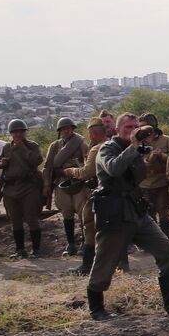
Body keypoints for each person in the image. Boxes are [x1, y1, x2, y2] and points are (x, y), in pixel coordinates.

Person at [87, 113, 169, 321]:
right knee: (105, 260)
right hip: (115, 212)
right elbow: (113, 169)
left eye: (136, 127)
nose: (134, 131)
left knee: (165, 248)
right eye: (128, 127)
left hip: (135, 209)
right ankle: (96, 307)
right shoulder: (107, 148)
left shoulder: (137, 149)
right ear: (117, 130)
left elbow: (140, 175)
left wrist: (145, 153)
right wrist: (133, 148)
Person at [62, 117, 108, 273]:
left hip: (100, 193)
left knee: (89, 225)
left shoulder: (96, 149)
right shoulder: (113, 145)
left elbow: (87, 172)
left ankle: (87, 265)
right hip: (115, 193)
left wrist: (72, 171)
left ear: (93, 133)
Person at [0, 119, 45, 259]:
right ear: (11, 133)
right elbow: (1, 163)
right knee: (15, 219)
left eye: (21, 132)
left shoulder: (32, 146)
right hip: (11, 187)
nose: (18, 134)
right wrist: (2, 163)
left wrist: (22, 149)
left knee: (31, 217)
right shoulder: (6, 147)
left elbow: (37, 160)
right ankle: (20, 249)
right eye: (15, 132)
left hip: (28, 186)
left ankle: (36, 249)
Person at [43, 117, 87, 256]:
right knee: (66, 213)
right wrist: (47, 184)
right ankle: (71, 244)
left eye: (68, 128)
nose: (66, 131)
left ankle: (85, 244)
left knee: (83, 213)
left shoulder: (80, 143)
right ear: (60, 130)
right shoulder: (55, 146)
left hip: (77, 180)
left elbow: (87, 159)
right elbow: (48, 166)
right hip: (61, 182)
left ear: (73, 129)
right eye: (63, 129)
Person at [137, 113, 169, 241]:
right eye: (140, 126)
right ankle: (152, 242)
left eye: (144, 126)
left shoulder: (166, 140)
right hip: (144, 183)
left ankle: (165, 240)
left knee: (163, 212)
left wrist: (161, 155)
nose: (141, 129)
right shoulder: (137, 142)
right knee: (148, 214)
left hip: (162, 183)